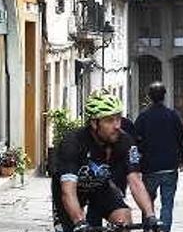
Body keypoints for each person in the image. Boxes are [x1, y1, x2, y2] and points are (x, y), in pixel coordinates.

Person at [51, 91, 163, 232]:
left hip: (100, 186)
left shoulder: (125, 141)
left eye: (118, 119)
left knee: (123, 219)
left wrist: (150, 216)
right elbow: (68, 191)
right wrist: (80, 222)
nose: (117, 126)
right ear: (94, 123)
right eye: (110, 120)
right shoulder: (73, 143)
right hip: (70, 190)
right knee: (75, 227)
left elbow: (135, 182)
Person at [134, 82, 183, 232]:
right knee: (167, 203)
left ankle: (148, 229)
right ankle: (164, 230)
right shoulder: (173, 115)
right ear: (164, 96)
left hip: (150, 167)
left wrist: (138, 161)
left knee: (147, 202)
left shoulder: (143, 117)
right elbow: (180, 138)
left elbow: (135, 140)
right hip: (170, 167)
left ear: (149, 97)